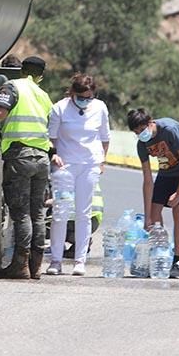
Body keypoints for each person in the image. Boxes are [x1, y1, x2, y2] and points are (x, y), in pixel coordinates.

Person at [0, 55, 53, 280]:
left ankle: (20, 266)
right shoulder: (44, 95)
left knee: (20, 214)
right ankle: (36, 266)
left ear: (21, 70)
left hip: (20, 156)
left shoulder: (12, 86)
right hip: (42, 158)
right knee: (37, 212)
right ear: (41, 75)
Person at [126, 108, 179, 279]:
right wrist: (147, 218)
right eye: (136, 132)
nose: (140, 134)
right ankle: (161, 254)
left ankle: (177, 261)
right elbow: (147, 180)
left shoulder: (169, 130)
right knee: (154, 215)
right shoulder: (142, 144)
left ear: (150, 123)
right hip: (167, 171)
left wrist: (178, 194)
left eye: (142, 129)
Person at [45, 73, 109, 276]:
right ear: (73, 93)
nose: (85, 101)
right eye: (81, 97)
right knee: (61, 213)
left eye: (88, 97)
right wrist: (54, 155)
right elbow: (51, 138)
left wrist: (102, 160)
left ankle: (80, 260)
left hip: (89, 165)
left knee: (84, 213)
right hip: (65, 167)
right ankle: (56, 260)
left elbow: (105, 137)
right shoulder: (60, 108)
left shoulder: (100, 108)